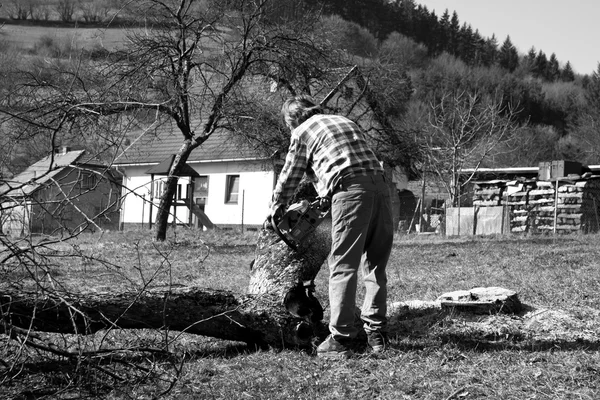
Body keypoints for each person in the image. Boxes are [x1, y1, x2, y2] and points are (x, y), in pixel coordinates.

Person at [269, 95, 394, 358]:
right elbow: (347, 161)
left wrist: (276, 206)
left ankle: (341, 338)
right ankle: (376, 333)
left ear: (292, 119)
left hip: (350, 190)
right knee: (375, 264)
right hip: (381, 188)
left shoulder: (302, 132)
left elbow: (291, 173)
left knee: (343, 264)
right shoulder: (345, 121)